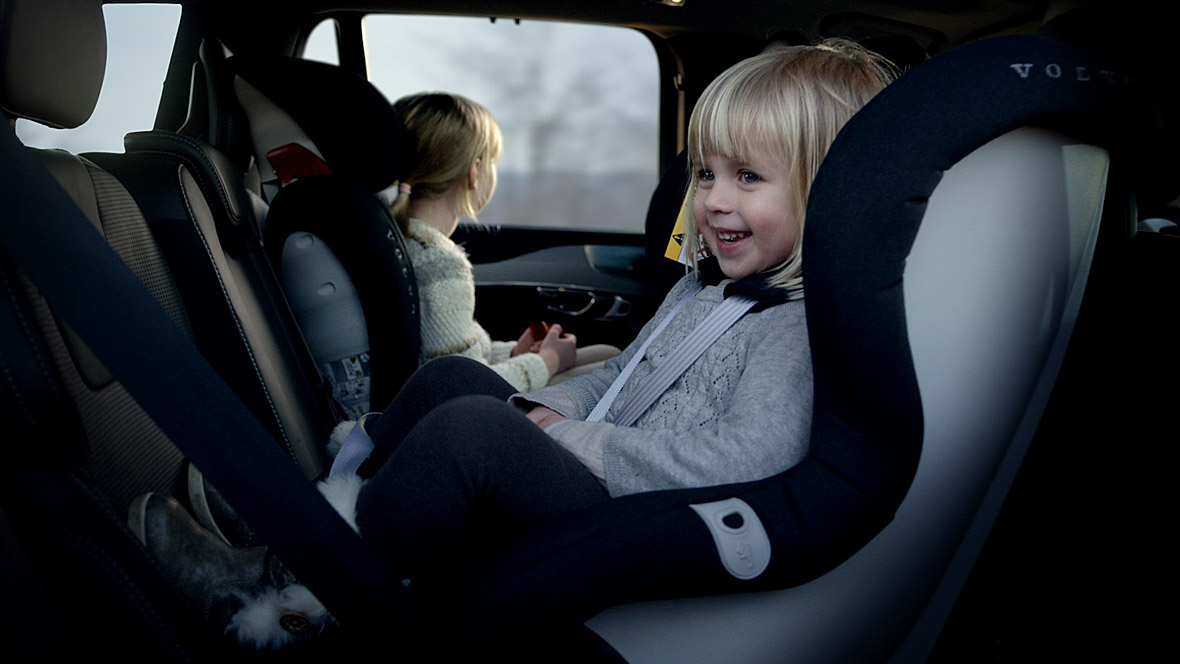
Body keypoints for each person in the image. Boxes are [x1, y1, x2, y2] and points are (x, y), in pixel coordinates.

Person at [132, 39, 895, 649]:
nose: (712, 200)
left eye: (748, 177)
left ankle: (285, 595)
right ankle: (319, 531)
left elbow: (744, 463)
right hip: (608, 469)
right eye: (706, 173)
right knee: (451, 383)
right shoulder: (702, 287)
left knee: (473, 433)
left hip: (642, 516)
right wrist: (543, 403)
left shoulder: (797, 328)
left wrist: (575, 441)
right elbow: (622, 373)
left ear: (829, 194)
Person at [386, 92, 618, 392]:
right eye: (492, 162)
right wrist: (547, 361)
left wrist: (512, 354)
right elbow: (462, 384)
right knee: (613, 368)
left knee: (608, 356)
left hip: (448, 392)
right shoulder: (438, 262)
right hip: (463, 409)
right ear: (474, 172)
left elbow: (449, 350)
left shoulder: (399, 240)